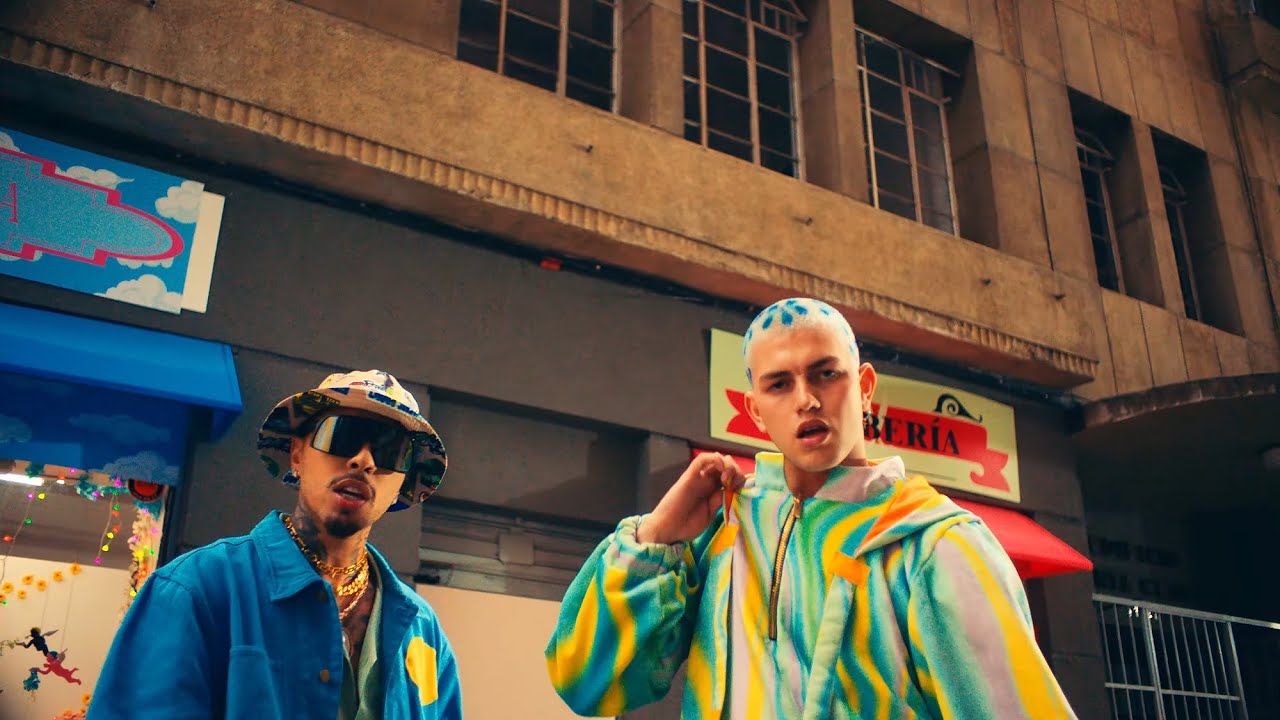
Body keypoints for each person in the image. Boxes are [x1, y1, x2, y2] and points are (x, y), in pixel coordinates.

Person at [545, 299, 1076, 719]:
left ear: (864, 388)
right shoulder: (726, 529)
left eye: (826, 374)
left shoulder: (937, 546)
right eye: (780, 384)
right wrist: (657, 537)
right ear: (755, 411)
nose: (806, 399)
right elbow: (588, 684)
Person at [89, 370, 463, 719]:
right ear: (298, 454)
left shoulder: (423, 630)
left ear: (401, 484)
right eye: (342, 435)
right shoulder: (196, 589)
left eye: (390, 450)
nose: (362, 460)